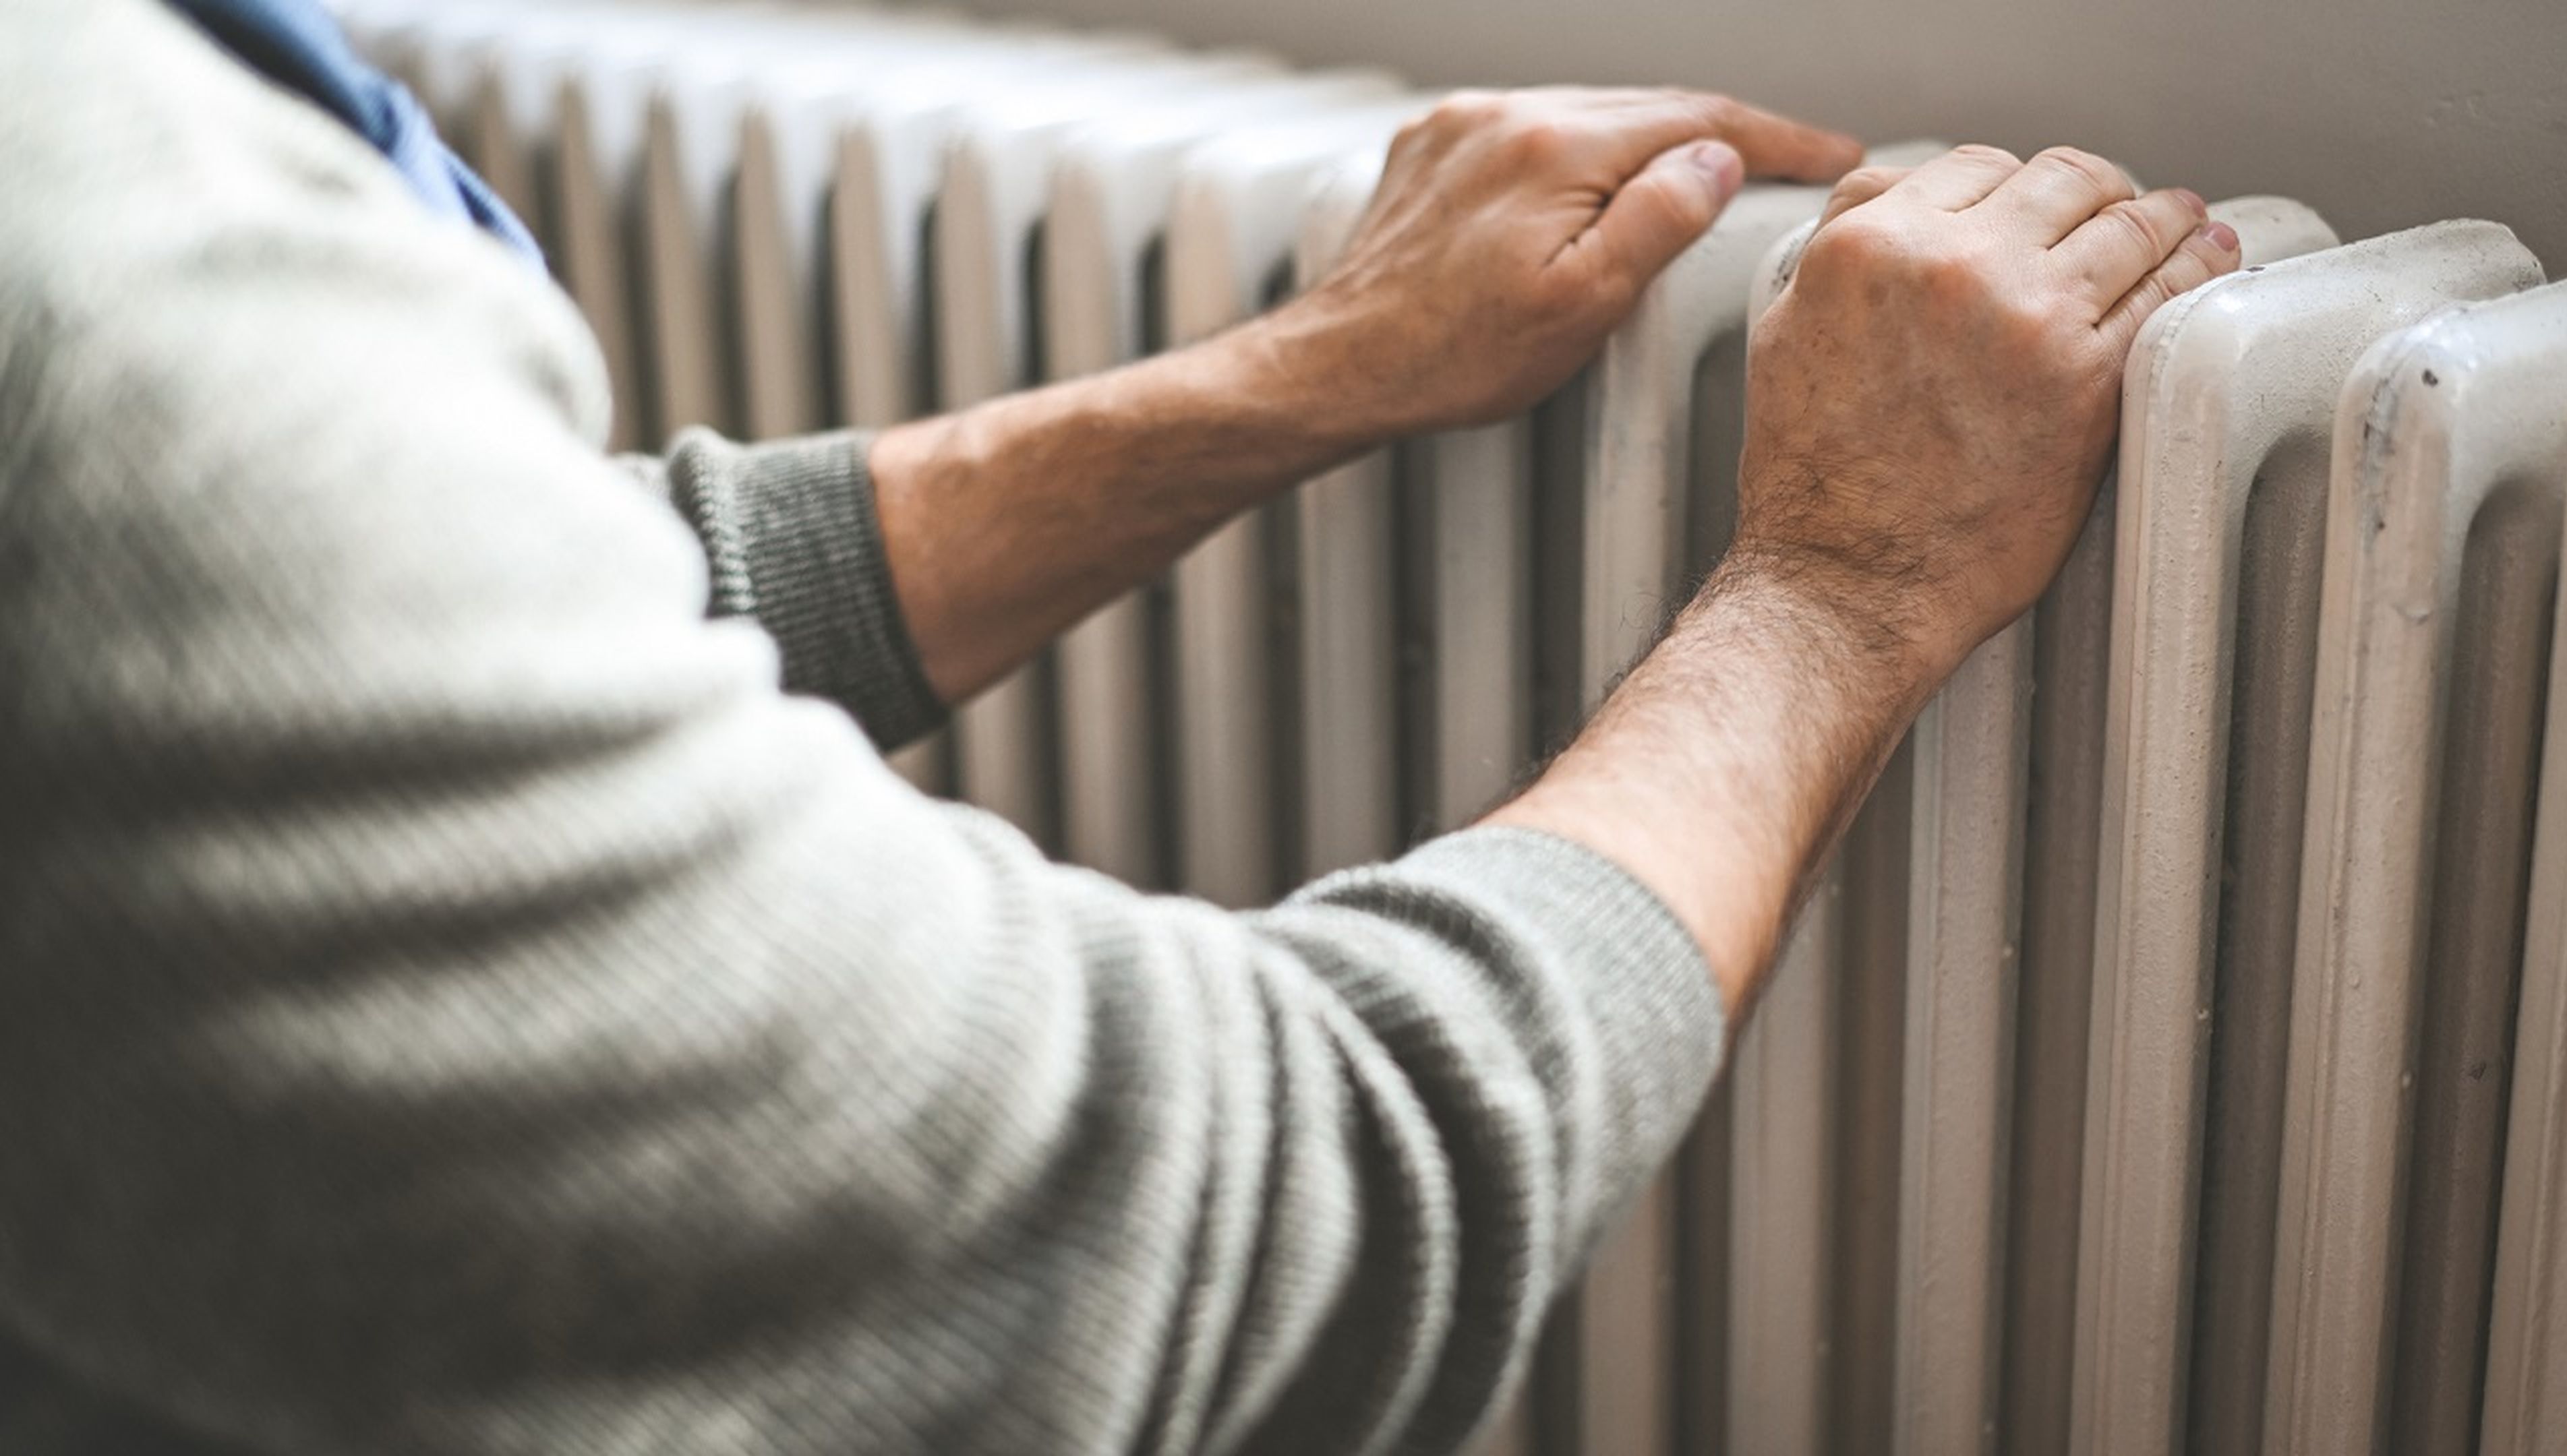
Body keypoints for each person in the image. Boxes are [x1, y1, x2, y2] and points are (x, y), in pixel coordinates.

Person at [0, 0, 2243, 1451]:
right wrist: (1843, 585)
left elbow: (471, 610)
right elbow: (1205, 1230)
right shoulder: (87, 265)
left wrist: (1296, 371)